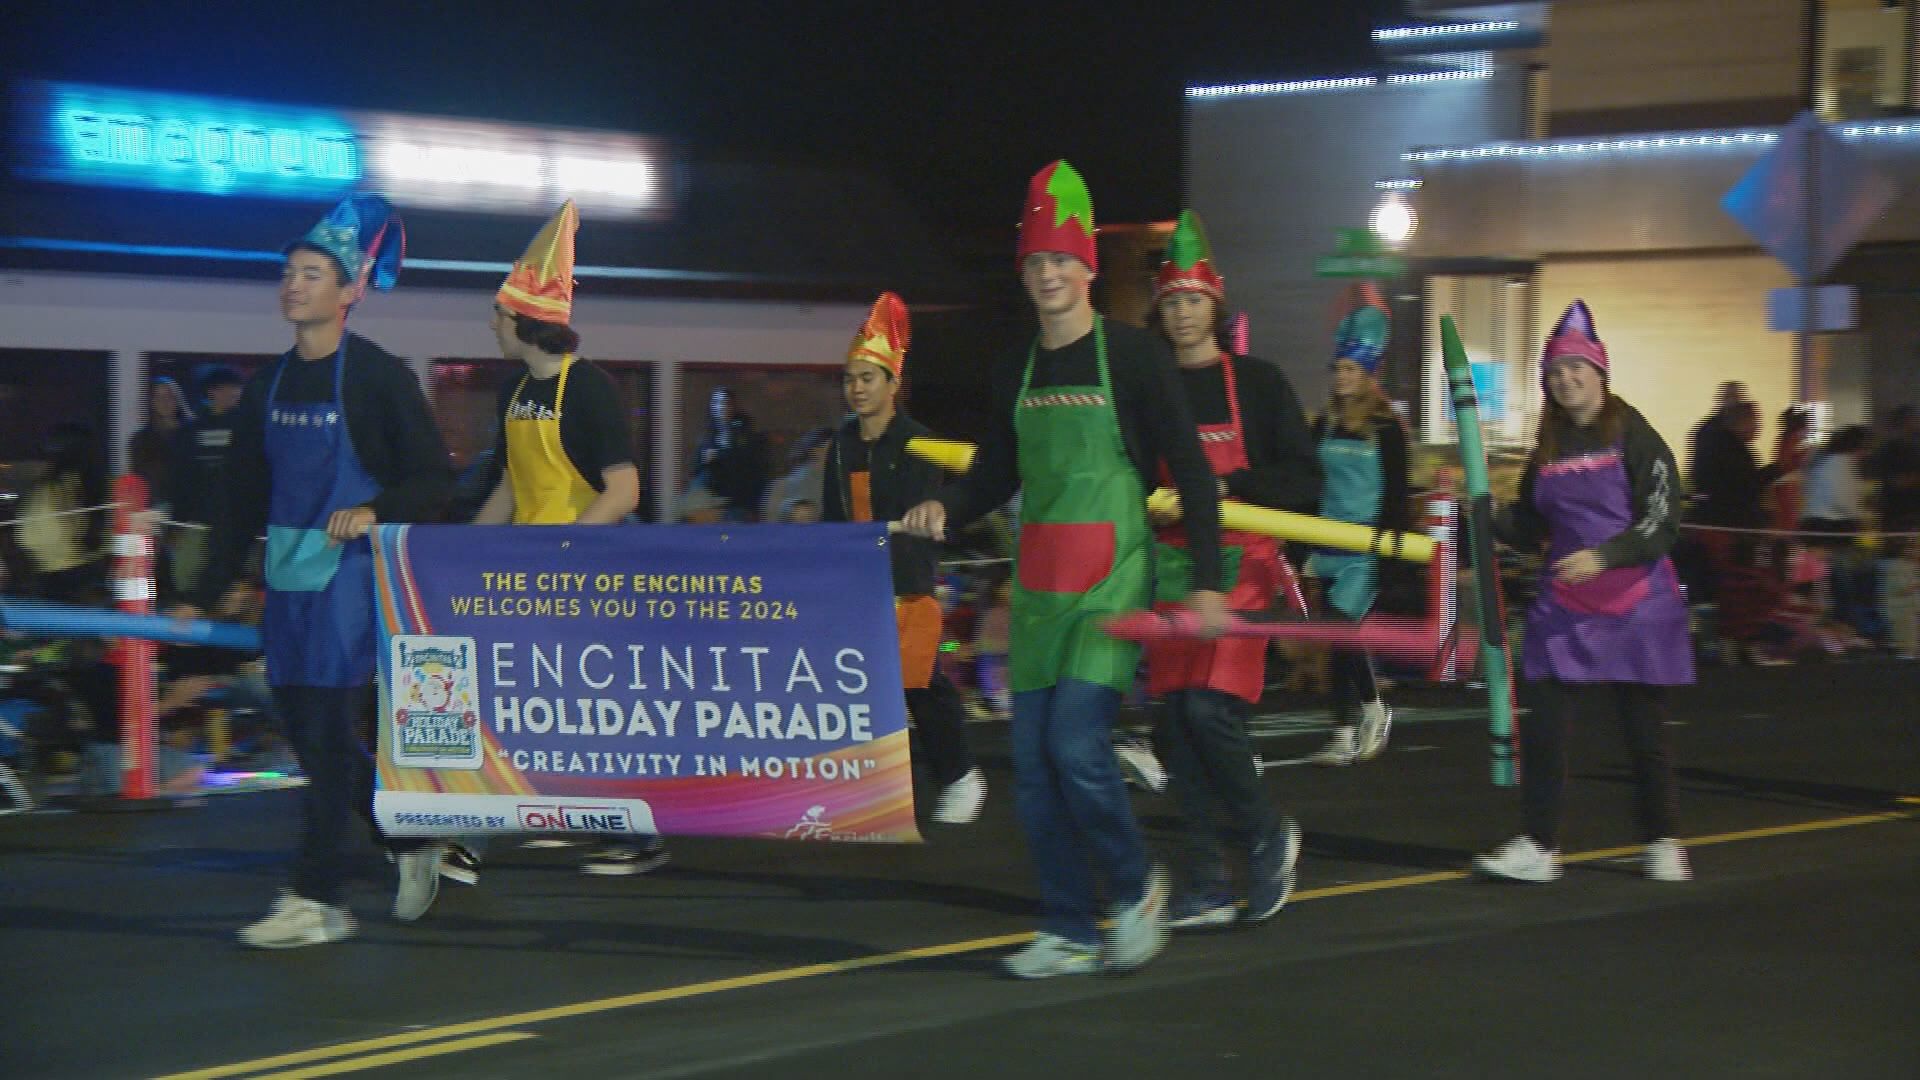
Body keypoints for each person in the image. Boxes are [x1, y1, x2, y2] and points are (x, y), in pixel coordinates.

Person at [900, 161, 1228, 978]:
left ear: (1086, 267)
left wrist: (1212, 581)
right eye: (1036, 262)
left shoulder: (1136, 357)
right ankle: (1067, 929)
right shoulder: (1015, 366)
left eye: (1063, 260)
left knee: (1078, 749)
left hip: (1112, 583)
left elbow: (1189, 470)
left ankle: (1133, 888)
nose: (1049, 274)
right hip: (1040, 589)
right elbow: (999, 468)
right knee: (1037, 771)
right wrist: (953, 504)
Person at [178, 194, 453, 947]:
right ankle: (407, 840)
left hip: (352, 582)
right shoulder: (265, 388)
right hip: (288, 583)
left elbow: (434, 478)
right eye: (289, 273)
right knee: (311, 735)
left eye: (310, 274)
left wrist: (374, 509)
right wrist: (203, 592)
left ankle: (318, 896)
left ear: (349, 291)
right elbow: (240, 501)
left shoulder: (378, 378)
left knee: (328, 727)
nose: (292, 285)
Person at [468, 201, 656, 883]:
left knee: (595, 710)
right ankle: (566, 814)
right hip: (529, 575)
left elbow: (623, 490)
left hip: (585, 573)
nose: (491, 324)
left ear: (525, 322)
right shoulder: (512, 391)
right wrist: (460, 555)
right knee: (540, 703)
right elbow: (511, 487)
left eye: (497, 313)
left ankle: (638, 837)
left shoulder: (592, 389)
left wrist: (566, 553)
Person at [1139, 210, 1317, 929]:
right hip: (1172, 568)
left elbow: (1305, 480)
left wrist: (1230, 486)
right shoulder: (1150, 388)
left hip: (1243, 571)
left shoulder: (1261, 382)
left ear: (1215, 304)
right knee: (1176, 728)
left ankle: (1266, 836)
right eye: (1171, 302)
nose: (1182, 315)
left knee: (1210, 711)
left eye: (1193, 300)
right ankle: (1208, 880)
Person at [1475, 300, 1693, 885]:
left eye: (1576, 367)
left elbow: (1662, 518)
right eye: (1555, 371)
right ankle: (1540, 845)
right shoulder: (1546, 446)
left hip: (1636, 601)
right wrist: (1480, 514)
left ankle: (1663, 841)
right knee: (1542, 722)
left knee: (1640, 728)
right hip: (1566, 606)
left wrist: (1605, 556)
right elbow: (1528, 524)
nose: (1566, 378)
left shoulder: (1636, 436)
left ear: (1600, 373)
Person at [821, 292, 986, 825]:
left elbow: (922, 511)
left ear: (893, 384)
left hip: (906, 583)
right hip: (854, 587)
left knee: (920, 682)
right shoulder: (842, 444)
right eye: (850, 378)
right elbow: (833, 510)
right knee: (863, 690)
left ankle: (960, 776)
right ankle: (868, 789)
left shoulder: (919, 443)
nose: (856, 388)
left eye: (867, 378)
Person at [1307, 284, 1410, 766]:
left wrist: (1391, 554)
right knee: (1334, 638)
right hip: (1325, 542)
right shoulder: (1322, 424)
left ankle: (1372, 708)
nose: (1343, 377)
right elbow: (1308, 482)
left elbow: (1396, 494)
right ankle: (1344, 729)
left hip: (1363, 546)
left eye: (1352, 369)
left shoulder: (1388, 429)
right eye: (1339, 368)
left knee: (1343, 628)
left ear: (1369, 375)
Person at [169, 366, 248, 596]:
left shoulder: (250, 429)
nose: (233, 394)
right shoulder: (191, 431)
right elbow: (181, 478)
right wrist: (176, 521)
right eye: (226, 389)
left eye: (237, 389)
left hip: (238, 520)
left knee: (235, 583)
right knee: (186, 577)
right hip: (197, 520)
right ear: (211, 392)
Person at [1800, 425, 1878, 642]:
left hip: (1819, 527)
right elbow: (1844, 501)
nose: (1867, 453)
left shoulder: (1825, 460)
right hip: (1831, 530)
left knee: (1823, 581)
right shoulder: (1840, 463)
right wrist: (1862, 515)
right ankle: (1846, 628)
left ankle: (1837, 629)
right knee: (1840, 582)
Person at [691, 387, 768, 522]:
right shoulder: (707, 437)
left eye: (725, 403)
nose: (720, 407)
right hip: (710, 498)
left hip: (738, 500)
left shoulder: (744, 434)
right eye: (716, 403)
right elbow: (697, 469)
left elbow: (749, 465)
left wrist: (720, 456)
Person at [1868, 404, 1920, 535]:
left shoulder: (1912, 446)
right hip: (1899, 510)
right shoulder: (1891, 449)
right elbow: (1894, 481)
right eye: (1914, 419)